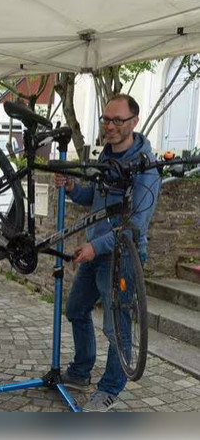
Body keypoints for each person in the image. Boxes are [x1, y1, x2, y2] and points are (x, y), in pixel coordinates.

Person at [55, 94, 161, 412]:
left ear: (134, 122)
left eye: (118, 120)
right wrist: (74, 189)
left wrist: (94, 246)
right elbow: (96, 199)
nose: (110, 126)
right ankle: (81, 370)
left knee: (115, 325)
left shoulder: (146, 169)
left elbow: (134, 227)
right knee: (75, 308)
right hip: (95, 251)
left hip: (122, 258)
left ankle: (111, 387)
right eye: (106, 119)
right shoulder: (107, 156)